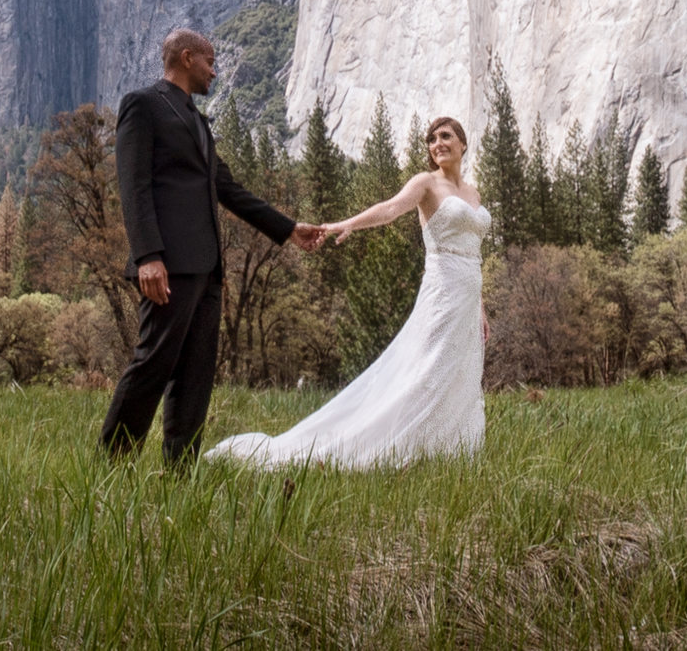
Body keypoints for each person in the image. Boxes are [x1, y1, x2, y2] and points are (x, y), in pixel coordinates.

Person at [206, 114, 490, 470]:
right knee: (426, 370)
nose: (438, 144)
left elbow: (473, 252)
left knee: (461, 371)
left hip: (467, 295)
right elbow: (389, 208)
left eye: (446, 136)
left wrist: (480, 307)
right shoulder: (426, 184)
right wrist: (347, 225)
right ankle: (397, 442)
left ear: (463, 143)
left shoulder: (473, 193)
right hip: (442, 292)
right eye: (432, 140)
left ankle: (449, 448)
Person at [101, 27, 325, 463]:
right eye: (210, 62)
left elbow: (229, 189)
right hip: (168, 265)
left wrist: (288, 228)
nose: (214, 71)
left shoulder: (198, 122)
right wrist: (148, 255)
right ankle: (110, 465)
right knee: (153, 363)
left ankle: (179, 474)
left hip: (207, 270)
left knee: (196, 374)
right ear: (187, 58)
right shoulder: (143, 105)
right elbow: (133, 186)